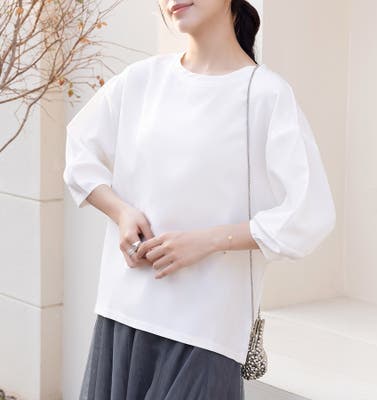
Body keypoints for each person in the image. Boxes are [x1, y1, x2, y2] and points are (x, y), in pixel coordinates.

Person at [63, 0, 336, 399]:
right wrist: (121, 213)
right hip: (123, 315)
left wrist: (207, 241)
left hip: (205, 330)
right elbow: (79, 152)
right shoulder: (142, 80)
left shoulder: (266, 95)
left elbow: (309, 213)